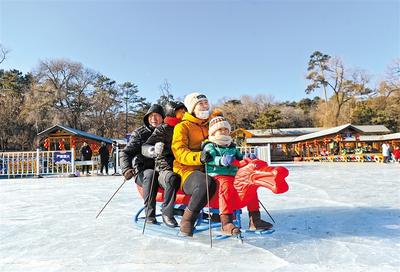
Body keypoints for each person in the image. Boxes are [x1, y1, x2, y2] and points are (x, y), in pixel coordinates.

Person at [203, 116, 273, 235]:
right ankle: (226, 222)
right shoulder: (210, 145)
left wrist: (247, 158)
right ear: (213, 132)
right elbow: (210, 158)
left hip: (233, 175)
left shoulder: (231, 146)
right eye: (220, 129)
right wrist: (221, 160)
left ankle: (255, 220)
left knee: (250, 186)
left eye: (226, 129)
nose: (224, 131)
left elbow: (240, 157)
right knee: (226, 186)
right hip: (217, 175)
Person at [171, 92, 217, 237]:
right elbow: (179, 152)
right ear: (192, 108)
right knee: (205, 183)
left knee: (226, 178)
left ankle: (220, 214)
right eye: (201, 104)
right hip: (186, 170)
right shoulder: (182, 127)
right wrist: (199, 157)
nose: (205, 106)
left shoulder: (211, 124)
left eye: (206, 102)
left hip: (210, 167)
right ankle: (188, 219)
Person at [142, 101, 187, 228]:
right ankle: (167, 212)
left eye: (184, 111)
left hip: (184, 166)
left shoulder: (186, 127)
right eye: (180, 112)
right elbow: (145, 146)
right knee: (172, 178)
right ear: (172, 112)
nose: (183, 114)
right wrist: (153, 149)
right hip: (165, 168)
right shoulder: (163, 128)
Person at [120, 104, 165, 224]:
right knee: (151, 174)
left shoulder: (168, 131)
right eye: (151, 116)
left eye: (157, 116)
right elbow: (126, 152)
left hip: (163, 169)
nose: (154, 118)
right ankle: (149, 214)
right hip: (143, 171)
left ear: (163, 117)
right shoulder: (140, 133)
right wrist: (126, 169)